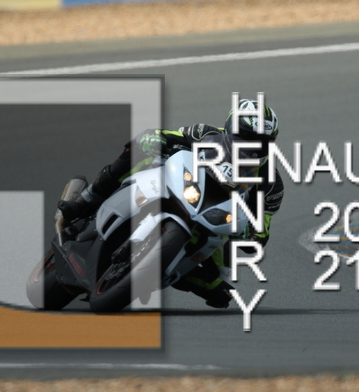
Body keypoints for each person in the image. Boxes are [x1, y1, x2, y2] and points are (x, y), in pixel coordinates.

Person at [58, 99, 284, 308]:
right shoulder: (205, 134)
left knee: (218, 284)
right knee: (138, 150)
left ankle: (163, 271)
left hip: (213, 218)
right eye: (244, 136)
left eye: (261, 142)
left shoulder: (272, 184)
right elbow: (169, 135)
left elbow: (262, 230)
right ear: (229, 128)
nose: (251, 145)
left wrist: (251, 234)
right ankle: (87, 198)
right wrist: (156, 138)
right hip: (183, 184)